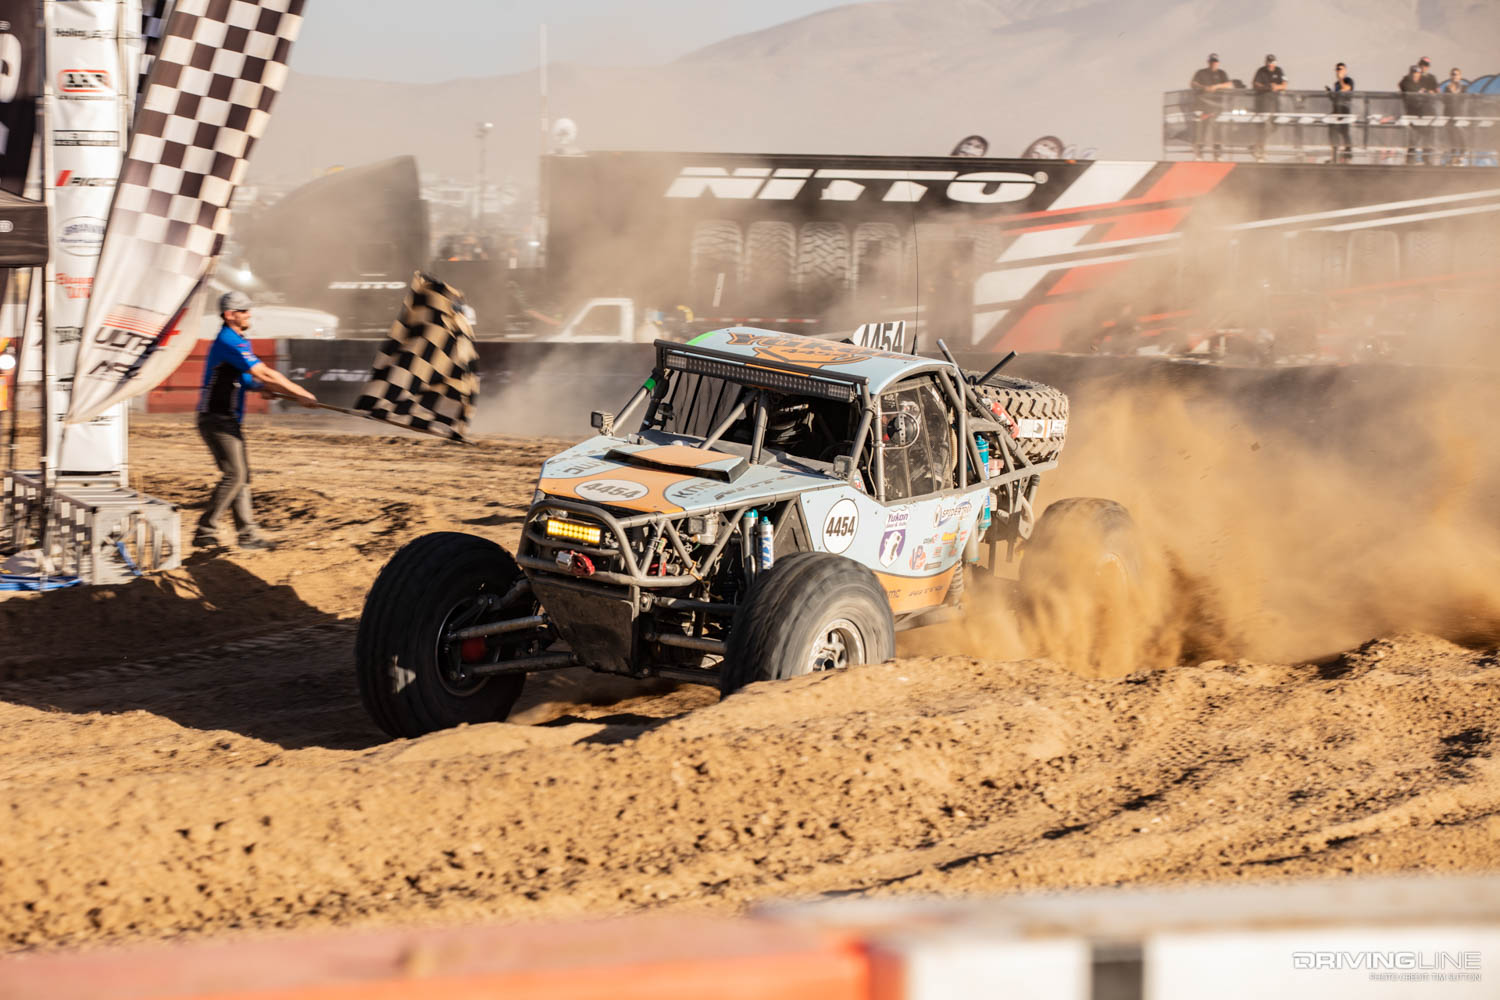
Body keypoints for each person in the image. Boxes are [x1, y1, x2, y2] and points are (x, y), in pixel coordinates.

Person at [193, 290, 318, 550]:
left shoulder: (237, 340)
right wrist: (300, 392)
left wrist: (261, 390)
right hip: (217, 420)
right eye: (244, 311)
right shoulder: (229, 340)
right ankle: (205, 531)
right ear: (230, 315)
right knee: (236, 475)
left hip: (225, 420)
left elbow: (248, 379)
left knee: (241, 476)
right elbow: (263, 372)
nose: (250, 315)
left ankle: (246, 535)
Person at [1190, 53, 1232, 160]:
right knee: (1202, 129)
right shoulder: (1201, 73)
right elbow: (1193, 83)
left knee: (1217, 130)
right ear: (1208, 62)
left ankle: (1217, 153)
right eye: (1212, 61)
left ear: (1218, 63)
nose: (1213, 63)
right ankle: (1199, 153)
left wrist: (1216, 86)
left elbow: (1229, 85)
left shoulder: (1222, 73)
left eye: (1215, 62)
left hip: (1218, 107)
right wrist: (1204, 87)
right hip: (1203, 107)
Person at [1398, 63, 1437, 164]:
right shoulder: (1406, 82)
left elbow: (1431, 91)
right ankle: (1410, 159)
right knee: (1413, 137)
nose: (1416, 74)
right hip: (1411, 113)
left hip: (1423, 113)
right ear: (1410, 73)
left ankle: (1426, 158)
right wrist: (1420, 92)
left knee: (1427, 135)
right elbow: (1405, 88)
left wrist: (1426, 92)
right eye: (1414, 73)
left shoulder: (1422, 82)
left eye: (1417, 73)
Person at [1251, 54, 1286, 161]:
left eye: (1272, 62)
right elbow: (1255, 84)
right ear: (1266, 62)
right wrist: (1266, 87)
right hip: (1263, 103)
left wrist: (1276, 87)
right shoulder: (1261, 71)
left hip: (1275, 103)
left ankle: (1257, 145)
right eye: (1268, 62)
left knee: (1275, 125)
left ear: (1275, 62)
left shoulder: (1279, 71)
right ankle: (1261, 149)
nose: (1270, 64)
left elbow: (1284, 84)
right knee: (1265, 126)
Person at [1327, 62, 1355, 163]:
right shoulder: (1336, 84)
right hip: (1336, 109)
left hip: (1345, 109)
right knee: (1332, 131)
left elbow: (1346, 89)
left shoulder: (1348, 80)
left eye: (1340, 69)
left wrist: (1340, 78)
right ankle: (1335, 153)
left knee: (1344, 132)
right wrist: (1330, 93)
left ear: (1345, 70)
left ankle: (1348, 155)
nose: (1338, 71)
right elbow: (1335, 98)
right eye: (1337, 69)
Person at [1440, 67, 1468, 165]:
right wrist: (1450, 92)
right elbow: (1445, 101)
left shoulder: (1464, 88)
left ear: (1460, 76)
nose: (1454, 76)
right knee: (1452, 138)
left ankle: (1461, 156)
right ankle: (1453, 158)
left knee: (1461, 137)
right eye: (1453, 74)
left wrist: (1454, 93)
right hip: (1450, 116)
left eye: (1456, 74)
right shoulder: (1447, 88)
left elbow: (1463, 100)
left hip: (1460, 116)